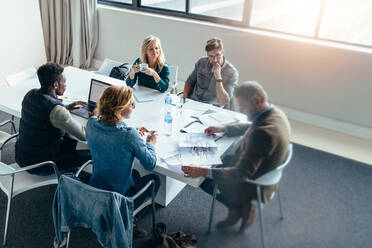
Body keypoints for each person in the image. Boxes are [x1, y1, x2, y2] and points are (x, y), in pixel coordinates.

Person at [181, 81, 291, 232]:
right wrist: (224, 128)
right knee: (218, 161)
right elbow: (253, 125)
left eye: (243, 107)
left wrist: (203, 171)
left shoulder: (262, 134)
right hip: (266, 167)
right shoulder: (274, 113)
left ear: (257, 102)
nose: (242, 111)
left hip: (252, 182)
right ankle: (238, 208)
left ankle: (238, 208)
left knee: (202, 180)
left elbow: (241, 173)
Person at [85, 85, 160, 238]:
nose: (134, 105)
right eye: (131, 103)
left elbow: (110, 129)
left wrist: (131, 133)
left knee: (135, 174)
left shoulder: (91, 123)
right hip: (116, 196)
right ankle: (128, 219)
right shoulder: (129, 135)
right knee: (155, 179)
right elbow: (150, 163)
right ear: (119, 108)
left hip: (95, 189)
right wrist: (150, 143)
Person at [15, 63, 90, 175]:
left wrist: (65, 107)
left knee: (69, 138)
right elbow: (84, 136)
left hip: (22, 157)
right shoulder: (56, 111)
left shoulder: (30, 94)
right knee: (92, 154)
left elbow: (43, 110)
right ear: (55, 85)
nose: (65, 85)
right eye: (64, 83)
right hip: (43, 166)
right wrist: (94, 117)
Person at [183, 37, 239, 108]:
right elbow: (190, 81)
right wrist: (184, 99)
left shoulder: (232, 73)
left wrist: (218, 77)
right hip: (192, 102)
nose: (215, 60)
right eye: (211, 56)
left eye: (217, 55)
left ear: (222, 52)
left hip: (211, 109)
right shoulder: (201, 62)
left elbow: (224, 101)